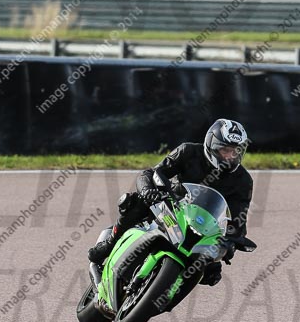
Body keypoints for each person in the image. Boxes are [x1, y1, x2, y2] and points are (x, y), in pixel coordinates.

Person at [87, 118, 254, 286]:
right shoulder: (188, 151)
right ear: (212, 144)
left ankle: (163, 292)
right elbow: (151, 173)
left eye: (235, 152)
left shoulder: (243, 181)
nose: (230, 157)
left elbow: (238, 219)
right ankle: (109, 244)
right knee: (134, 203)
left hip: (203, 228)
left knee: (212, 274)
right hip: (171, 206)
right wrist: (148, 191)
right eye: (225, 150)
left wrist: (231, 242)